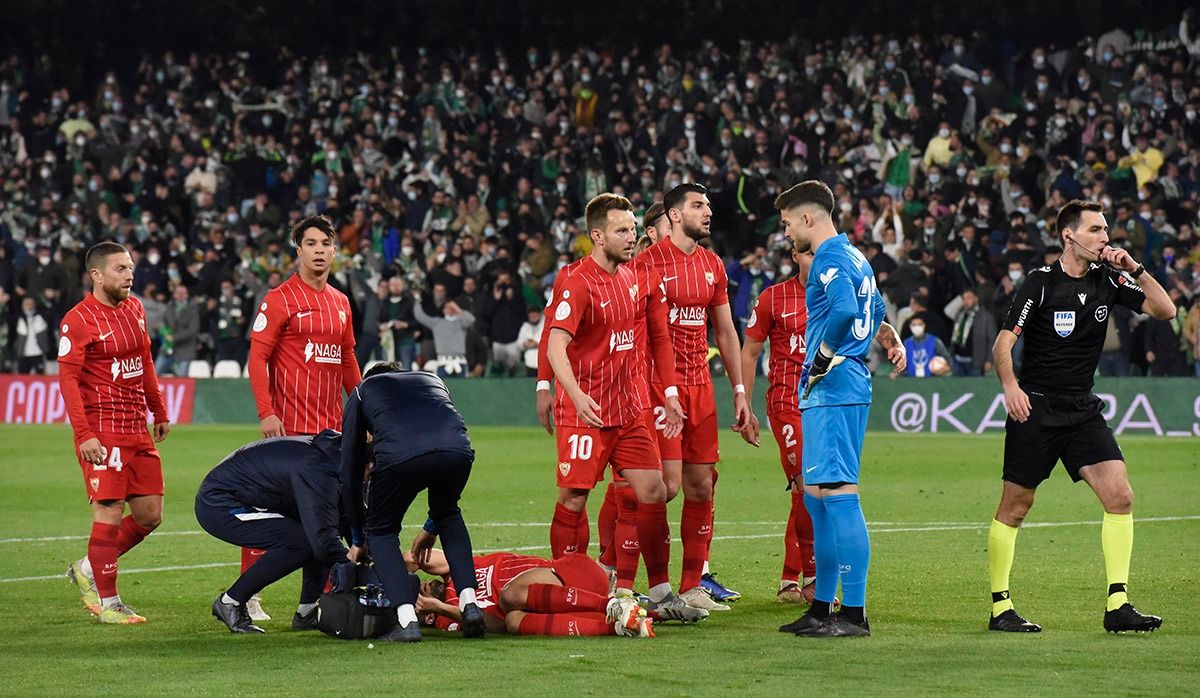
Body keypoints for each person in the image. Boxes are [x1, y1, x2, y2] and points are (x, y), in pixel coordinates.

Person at [987, 200, 1175, 633]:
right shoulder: (1040, 283)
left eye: (1106, 229)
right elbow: (1003, 344)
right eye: (1095, 229)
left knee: (1120, 496)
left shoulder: (1109, 279)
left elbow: (1166, 310)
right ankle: (1001, 608)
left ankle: (1118, 605)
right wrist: (1011, 388)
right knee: (1016, 505)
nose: (1105, 237)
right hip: (1036, 407)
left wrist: (1136, 268)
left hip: (1082, 408)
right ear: (1068, 236)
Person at [546, 193, 703, 623]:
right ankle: (569, 588)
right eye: (621, 230)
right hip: (587, 412)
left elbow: (654, 339)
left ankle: (661, 593)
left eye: (633, 229)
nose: (631, 237)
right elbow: (556, 343)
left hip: (629, 411)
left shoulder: (634, 279)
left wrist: (669, 395)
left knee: (653, 491)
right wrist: (573, 394)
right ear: (597, 236)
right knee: (574, 498)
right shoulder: (578, 283)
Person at [774, 180, 906, 638]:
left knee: (838, 495)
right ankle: (820, 607)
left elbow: (847, 310)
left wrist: (824, 357)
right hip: (833, 388)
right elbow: (875, 309)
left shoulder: (829, 257)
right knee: (816, 499)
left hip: (834, 387)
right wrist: (890, 337)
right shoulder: (855, 257)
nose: (787, 233)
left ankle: (853, 614)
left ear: (807, 218)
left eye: (788, 224)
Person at [636, 182, 754, 608]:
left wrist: (739, 391)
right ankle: (629, 575)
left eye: (708, 205)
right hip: (656, 387)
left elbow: (725, 331)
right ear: (673, 214)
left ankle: (692, 587)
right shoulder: (647, 263)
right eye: (698, 205)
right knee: (664, 487)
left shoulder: (712, 264)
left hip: (700, 387)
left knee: (701, 486)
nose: (708, 212)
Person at [244, 214, 361, 620]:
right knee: (270, 510)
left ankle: (310, 604)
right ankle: (249, 594)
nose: (319, 251)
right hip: (289, 429)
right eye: (311, 244)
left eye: (325, 244)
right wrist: (267, 412)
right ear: (298, 250)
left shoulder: (341, 302)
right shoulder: (279, 299)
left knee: (324, 519)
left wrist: (362, 408)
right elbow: (257, 358)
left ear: (335, 250)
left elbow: (347, 360)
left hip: (330, 434)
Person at [60, 241, 171, 624]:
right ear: (97, 275)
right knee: (108, 511)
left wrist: (158, 408)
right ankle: (110, 604)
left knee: (150, 514)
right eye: (120, 269)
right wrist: (84, 434)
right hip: (102, 430)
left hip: (136, 426)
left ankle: (88, 568)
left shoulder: (135, 309)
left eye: (130, 268)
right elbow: (68, 381)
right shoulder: (79, 320)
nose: (129, 275)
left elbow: (145, 360)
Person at [341, 362, 485, 643]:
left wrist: (358, 536)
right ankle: (470, 606)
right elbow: (445, 429)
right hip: (458, 451)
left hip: (399, 455)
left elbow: (349, 470)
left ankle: (406, 621)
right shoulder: (432, 379)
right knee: (448, 514)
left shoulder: (362, 390)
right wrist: (432, 526)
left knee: (381, 531)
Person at [197, 430, 352, 634]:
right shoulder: (319, 469)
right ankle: (230, 602)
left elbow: (347, 521)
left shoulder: (334, 458)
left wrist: (369, 558)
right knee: (304, 542)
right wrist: (354, 567)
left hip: (250, 494)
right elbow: (323, 539)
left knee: (320, 532)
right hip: (220, 502)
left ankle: (307, 611)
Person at [739, 249, 817, 604]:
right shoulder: (774, 297)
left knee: (808, 490)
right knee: (807, 483)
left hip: (825, 404)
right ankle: (814, 578)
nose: (817, 258)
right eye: (809, 252)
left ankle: (789, 578)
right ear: (795, 255)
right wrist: (744, 402)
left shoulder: (837, 296)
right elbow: (750, 351)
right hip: (787, 402)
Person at [410, 548, 652, 638]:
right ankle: (620, 626)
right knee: (512, 622)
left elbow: (413, 557)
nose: (424, 584)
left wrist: (394, 580)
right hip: (568, 611)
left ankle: (609, 605)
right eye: (419, 591)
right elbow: (495, 625)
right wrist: (440, 608)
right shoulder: (446, 616)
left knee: (509, 597)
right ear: (427, 615)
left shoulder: (458, 568)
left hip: (575, 574)